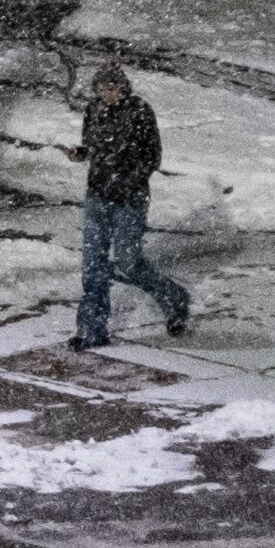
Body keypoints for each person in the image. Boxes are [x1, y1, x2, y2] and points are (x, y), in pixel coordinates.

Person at [74, 63, 191, 348]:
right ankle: (91, 330)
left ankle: (172, 296)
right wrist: (81, 154)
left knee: (128, 262)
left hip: (129, 199)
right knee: (93, 266)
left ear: (124, 88)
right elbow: (91, 147)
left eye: (112, 88)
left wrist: (128, 181)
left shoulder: (139, 111)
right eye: (102, 89)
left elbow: (152, 157)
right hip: (97, 197)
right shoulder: (93, 110)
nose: (107, 94)